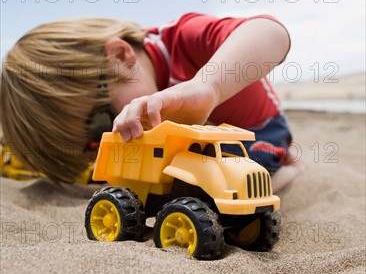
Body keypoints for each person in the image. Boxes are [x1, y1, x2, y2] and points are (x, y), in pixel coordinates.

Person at [1, 12, 304, 192]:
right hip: (187, 140)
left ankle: (287, 168)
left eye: (101, 125)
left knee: (219, 183)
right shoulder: (126, 91)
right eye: (90, 148)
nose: (112, 135)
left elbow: (271, 33)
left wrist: (208, 86)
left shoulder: (182, 39)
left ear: (120, 58)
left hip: (255, 132)